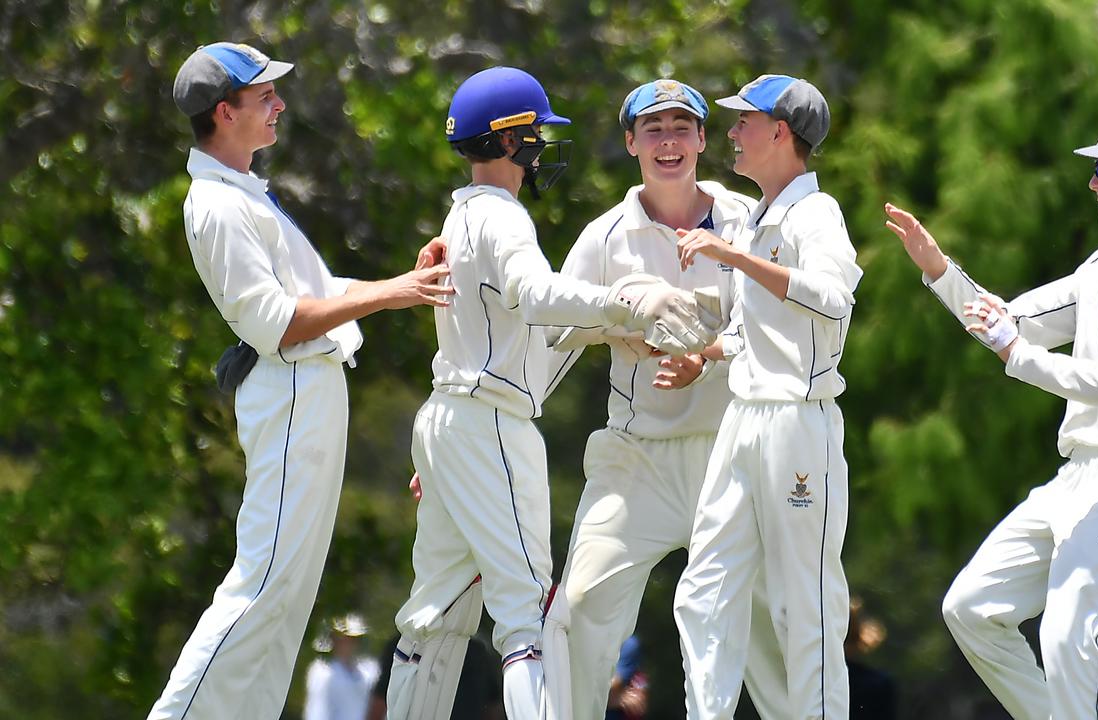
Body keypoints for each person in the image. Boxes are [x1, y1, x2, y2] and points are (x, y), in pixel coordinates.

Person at [384, 66, 717, 720]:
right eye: (535, 133)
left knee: (432, 615)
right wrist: (627, 304)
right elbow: (538, 300)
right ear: (509, 141)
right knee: (527, 618)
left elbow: (551, 333)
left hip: (449, 418)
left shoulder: (460, 214)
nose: (543, 144)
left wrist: (447, 462)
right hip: (492, 424)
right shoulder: (504, 219)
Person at [150, 42, 452, 720]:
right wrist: (391, 292)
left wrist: (403, 286)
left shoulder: (242, 193)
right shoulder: (218, 204)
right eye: (264, 97)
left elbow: (312, 293)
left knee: (286, 596)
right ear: (225, 113)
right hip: (288, 390)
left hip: (306, 389)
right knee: (261, 587)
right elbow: (276, 323)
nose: (279, 104)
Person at [884, 118, 1098, 719]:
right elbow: (1006, 320)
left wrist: (1018, 353)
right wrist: (938, 270)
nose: (1094, 184)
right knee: (972, 609)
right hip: (1077, 475)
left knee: (1070, 638)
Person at [548, 78, 790, 720]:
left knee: (769, 626)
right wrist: (623, 321)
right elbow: (551, 334)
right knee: (576, 611)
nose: (668, 142)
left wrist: (704, 358)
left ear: (705, 139)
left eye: (682, 128)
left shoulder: (747, 220)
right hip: (636, 460)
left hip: (730, 452)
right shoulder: (606, 238)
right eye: (652, 130)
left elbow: (776, 329)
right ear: (630, 143)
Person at [672, 74, 863, 719]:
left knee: (801, 603)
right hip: (744, 417)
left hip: (798, 424)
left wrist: (734, 255)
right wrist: (705, 355)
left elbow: (834, 299)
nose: (731, 133)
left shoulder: (817, 212)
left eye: (743, 122)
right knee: (700, 593)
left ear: (780, 133)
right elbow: (753, 331)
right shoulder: (761, 215)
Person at [305, 614, 381, 720]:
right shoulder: (321, 673)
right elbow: (317, 712)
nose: (348, 644)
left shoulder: (369, 672)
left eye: (352, 639)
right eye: (342, 639)